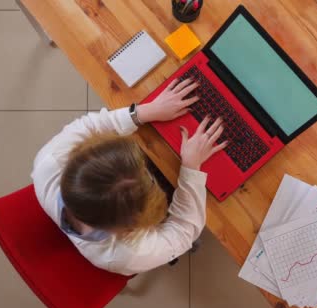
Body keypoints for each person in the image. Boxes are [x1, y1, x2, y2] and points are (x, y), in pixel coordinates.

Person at [31, 78, 227, 276]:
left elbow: (91, 125)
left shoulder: (49, 163)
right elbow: (183, 233)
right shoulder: (126, 255)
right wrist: (191, 167)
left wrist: (146, 112)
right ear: (131, 227)